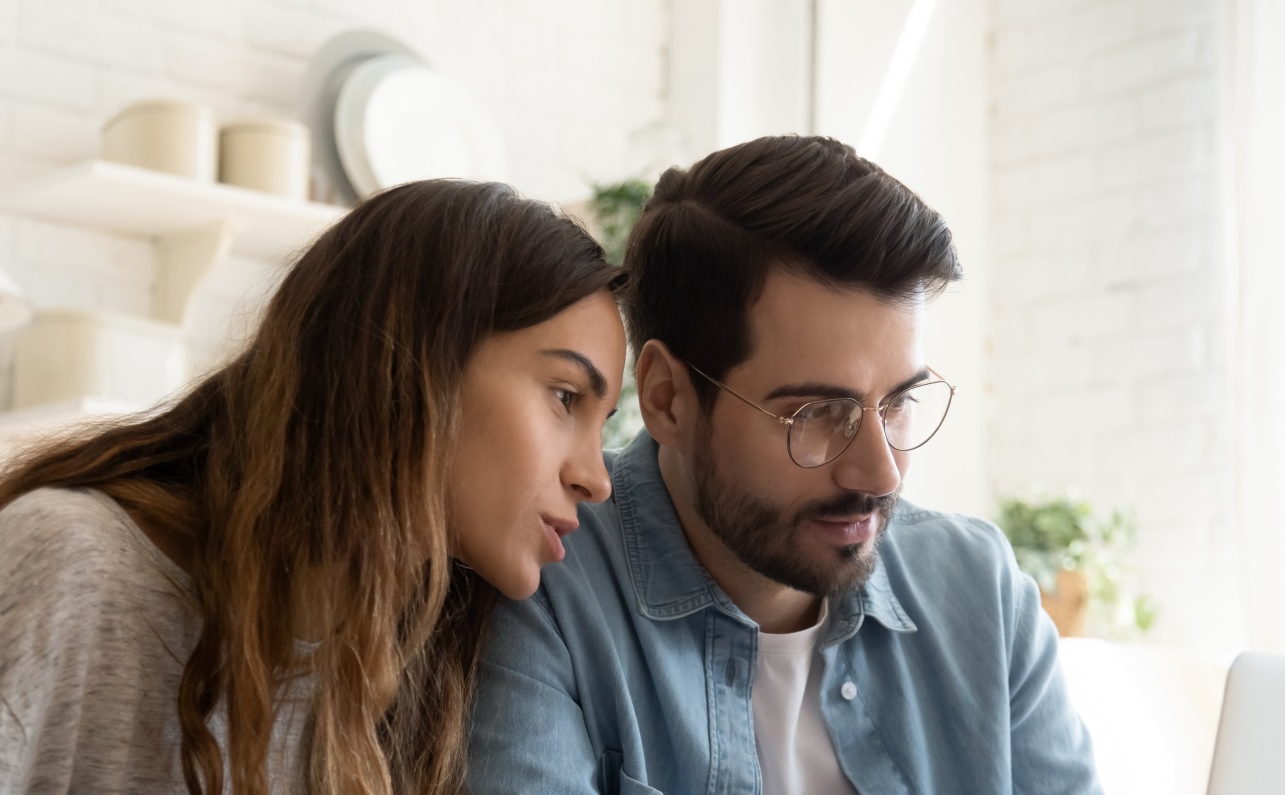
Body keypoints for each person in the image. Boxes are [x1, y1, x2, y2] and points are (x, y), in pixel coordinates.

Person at [0, 180, 627, 795]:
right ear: (417, 368)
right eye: (565, 398)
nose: (595, 475)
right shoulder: (66, 570)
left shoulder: (415, 667)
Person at [467, 136, 1102, 794]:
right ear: (667, 398)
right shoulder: (543, 590)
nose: (882, 475)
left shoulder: (980, 592)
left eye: (899, 402)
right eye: (818, 414)